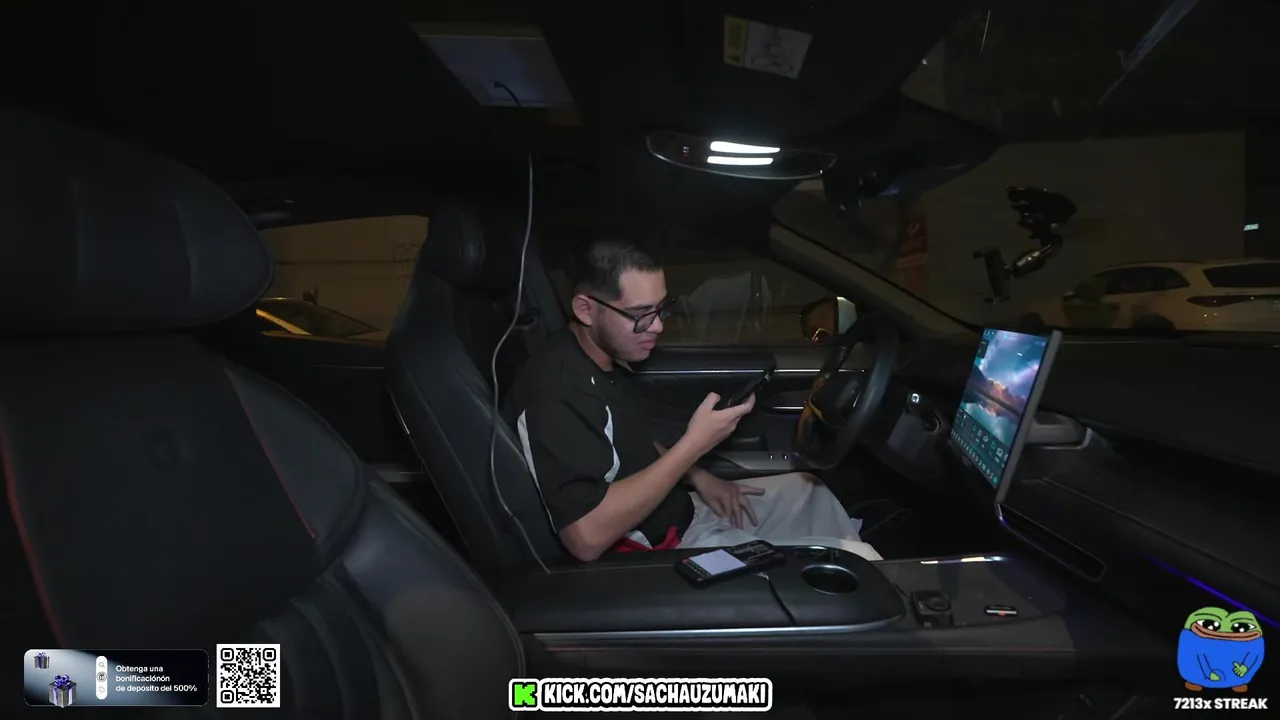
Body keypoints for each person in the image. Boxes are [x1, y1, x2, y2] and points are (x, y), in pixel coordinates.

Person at [503, 233, 881, 562]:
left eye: (661, 308)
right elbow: (585, 537)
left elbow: (631, 442)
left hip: (682, 512)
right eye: (640, 314)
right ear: (585, 309)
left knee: (810, 493)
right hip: (662, 554)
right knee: (855, 560)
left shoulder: (604, 357)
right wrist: (694, 445)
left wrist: (700, 477)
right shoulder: (556, 392)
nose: (657, 326)